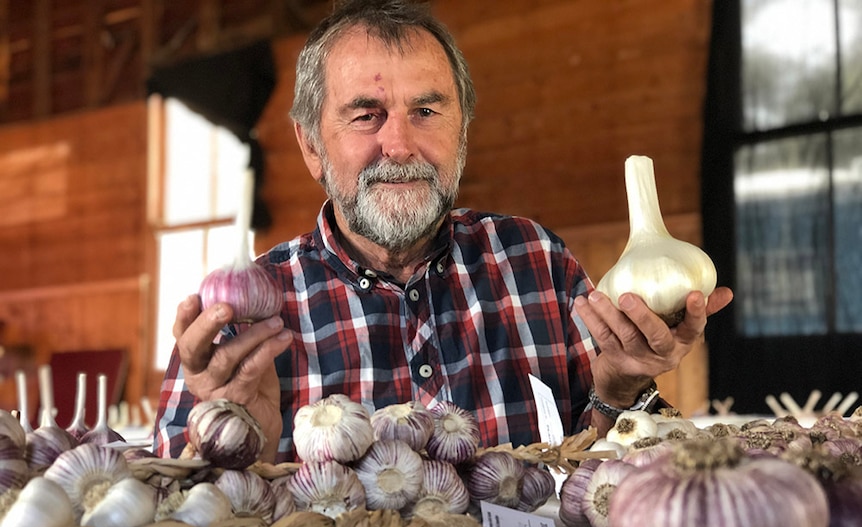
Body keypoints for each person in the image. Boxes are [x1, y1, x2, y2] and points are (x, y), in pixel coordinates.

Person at [154, 0, 733, 464]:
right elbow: (167, 513)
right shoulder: (245, 317)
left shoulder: (537, 261)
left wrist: (619, 388)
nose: (400, 145)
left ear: (462, 132)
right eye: (365, 115)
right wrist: (231, 443)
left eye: (427, 112)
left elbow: (617, 474)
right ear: (311, 145)